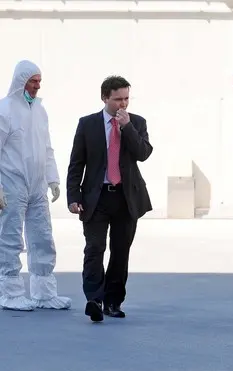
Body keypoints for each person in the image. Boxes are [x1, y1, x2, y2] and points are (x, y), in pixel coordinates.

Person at [66, 75, 153, 322]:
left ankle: (113, 301)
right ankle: (94, 299)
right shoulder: (87, 124)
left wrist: (127, 128)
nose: (123, 104)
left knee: (120, 251)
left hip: (126, 198)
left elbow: (143, 153)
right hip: (97, 197)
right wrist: (73, 196)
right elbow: (76, 163)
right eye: (118, 99)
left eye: (126, 98)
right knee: (94, 248)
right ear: (105, 98)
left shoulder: (136, 122)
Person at [0, 60, 72, 311]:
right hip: (12, 184)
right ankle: (10, 293)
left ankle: (44, 293)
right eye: (33, 81)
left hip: (37, 185)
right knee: (10, 237)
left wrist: (52, 179)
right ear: (21, 81)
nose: (37, 86)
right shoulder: (5, 110)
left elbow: (47, 148)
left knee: (42, 237)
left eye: (39, 81)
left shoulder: (40, 111)